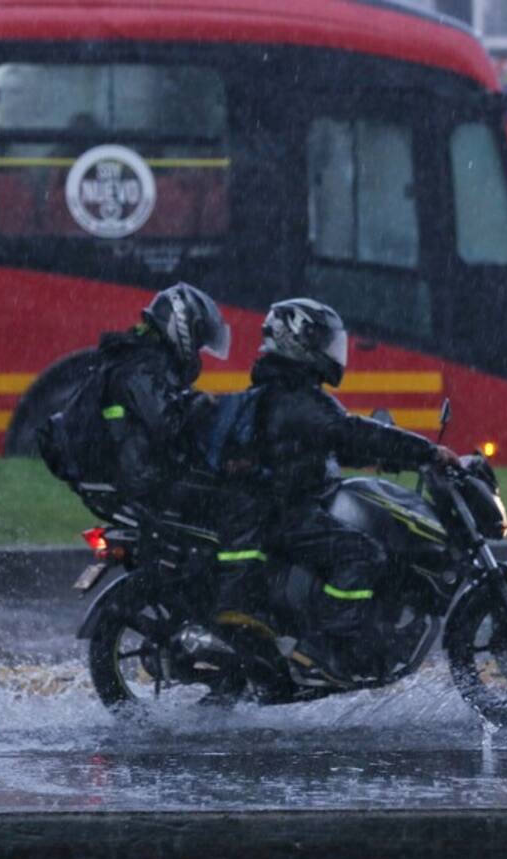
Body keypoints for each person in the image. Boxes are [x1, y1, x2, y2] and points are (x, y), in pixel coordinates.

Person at [213, 298, 458, 685]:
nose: (333, 352)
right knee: (363, 554)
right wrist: (425, 451)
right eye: (324, 342)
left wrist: (394, 459)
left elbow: (340, 444)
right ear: (297, 342)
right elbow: (351, 431)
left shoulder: (291, 391)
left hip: (290, 502)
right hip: (282, 511)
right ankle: (326, 649)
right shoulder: (295, 398)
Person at [99, 282, 230, 507]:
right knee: (236, 498)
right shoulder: (141, 366)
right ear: (179, 324)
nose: (197, 351)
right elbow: (165, 423)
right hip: (144, 478)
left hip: (145, 471)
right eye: (198, 340)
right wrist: (199, 403)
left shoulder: (150, 362)